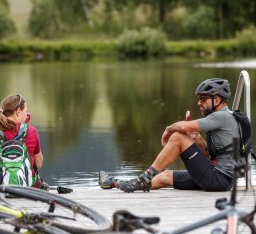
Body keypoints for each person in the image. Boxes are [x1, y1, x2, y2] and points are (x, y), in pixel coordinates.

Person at [102, 78, 242, 193]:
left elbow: (182, 127)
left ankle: (143, 179)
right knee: (165, 176)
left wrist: (168, 130)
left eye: (203, 99)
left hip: (218, 179)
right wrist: (197, 139)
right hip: (220, 179)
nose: (200, 103)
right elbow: (210, 154)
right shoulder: (224, 118)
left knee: (178, 137)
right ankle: (117, 183)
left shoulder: (222, 117)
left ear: (216, 100)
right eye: (199, 99)